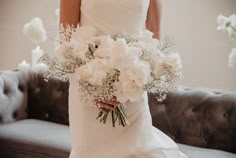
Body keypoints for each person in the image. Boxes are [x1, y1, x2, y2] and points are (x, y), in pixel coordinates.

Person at [60, 0, 188, 157]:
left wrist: (130, 84)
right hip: (88, 90)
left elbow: (155, 42)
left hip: (132, 90)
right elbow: (66, 41)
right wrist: (93, 87)